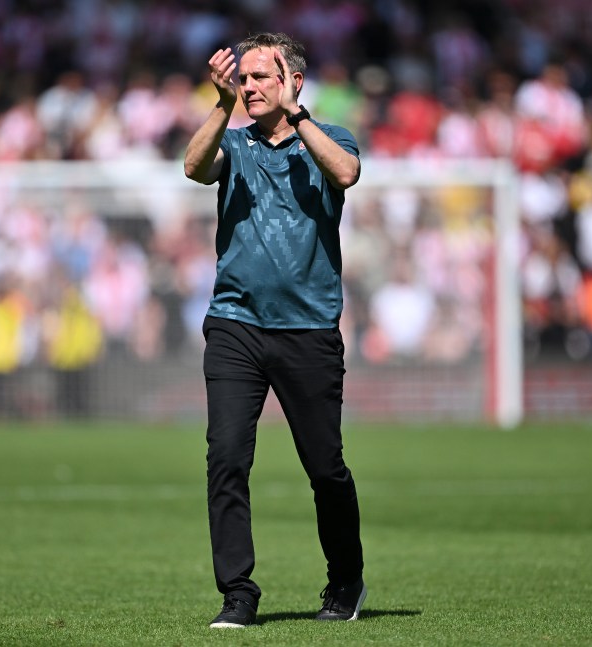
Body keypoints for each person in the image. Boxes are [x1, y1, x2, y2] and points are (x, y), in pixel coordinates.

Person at [183, 32, 366, 628]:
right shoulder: (234, 144)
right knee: (227, 458)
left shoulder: (329, 138)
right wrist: (219, 104)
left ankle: (345, 582)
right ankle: (238, 592)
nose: (251, 86)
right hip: (236, 325)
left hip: (308, 329)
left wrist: (298, 116)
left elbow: (346, 174)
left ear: (294, 82)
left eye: (263, 76)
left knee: (325, 468)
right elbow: (193, 167)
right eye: (245, 77)